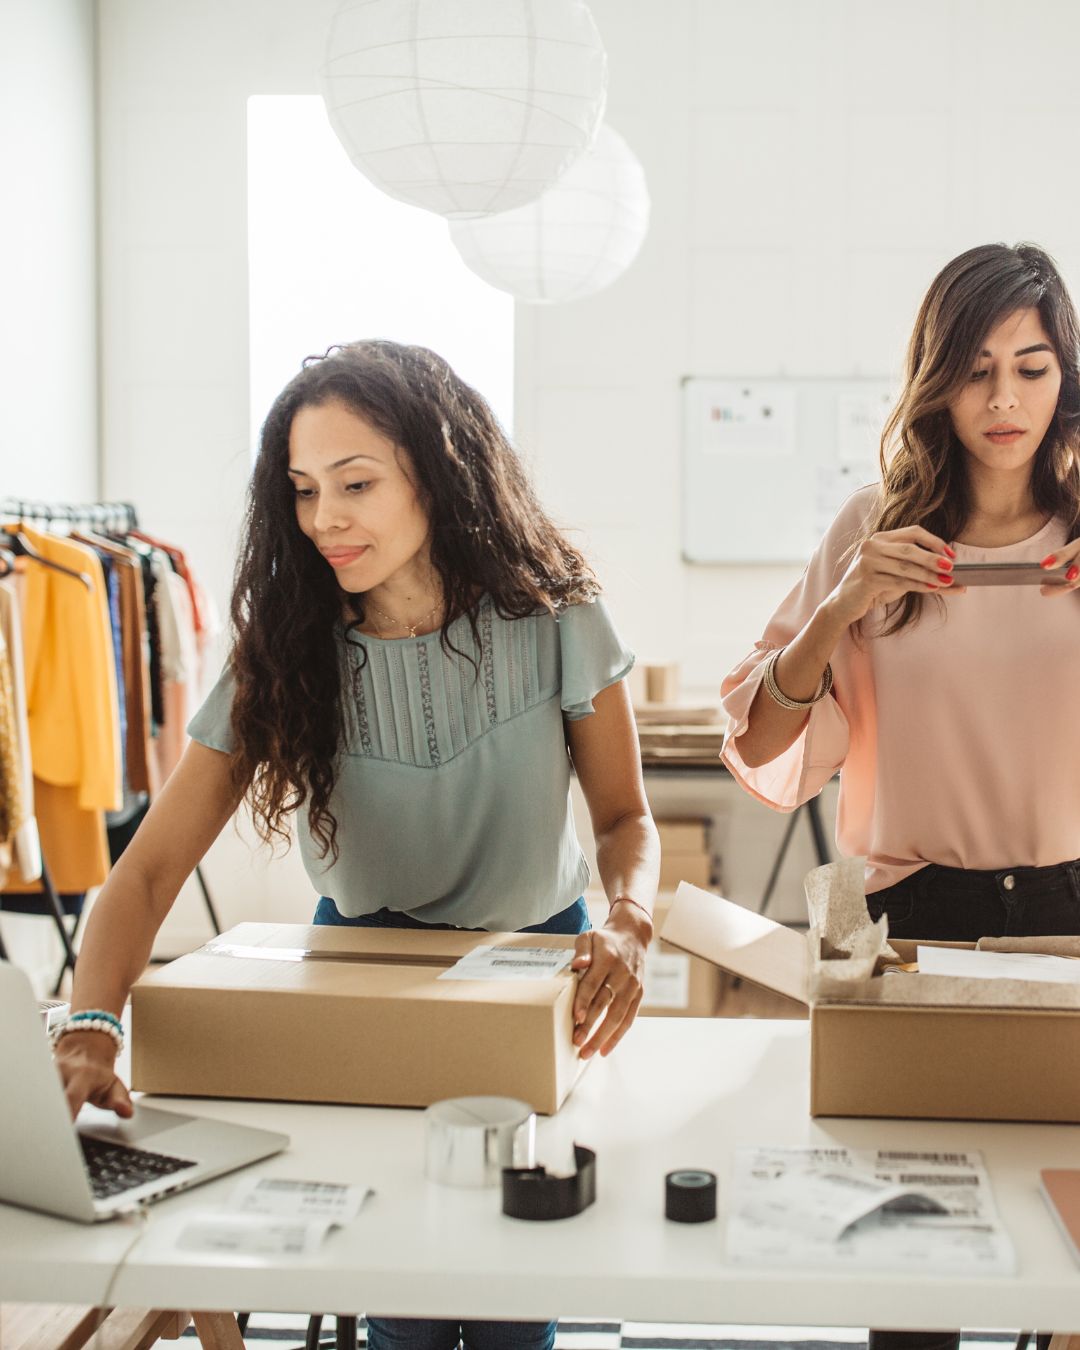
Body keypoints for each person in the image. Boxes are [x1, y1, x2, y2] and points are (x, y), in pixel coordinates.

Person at [54, 339, 660, 1350]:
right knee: (402, 1292)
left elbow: (622, 817)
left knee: (516, 1288)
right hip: (359, 975)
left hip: (538, 965)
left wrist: (632, 918)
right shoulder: (287, 649)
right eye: (302, 490)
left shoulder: (557, 614)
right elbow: (150, 868)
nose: (325, 518)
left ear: (440, 471)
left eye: (357, 483)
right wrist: (88, 1022)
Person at [721, 241, 1080, 1350]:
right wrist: (840, 603)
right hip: (913, 919)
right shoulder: (875, 524)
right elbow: (765, 742)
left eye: (1032, 364)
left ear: (1067, 373)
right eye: (976, 369)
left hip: (1069, 921)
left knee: (1063, 1255)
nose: (1005, 397)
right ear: (936, 378)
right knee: (913, 1268)